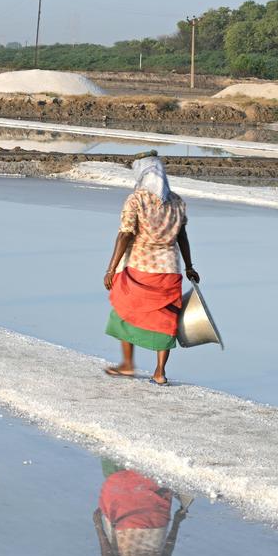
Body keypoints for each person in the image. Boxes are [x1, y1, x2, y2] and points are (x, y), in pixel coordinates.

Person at [102, 153, 200, 385]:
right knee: (166, 320)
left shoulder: (136, 200)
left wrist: (110, 269)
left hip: (139, 267)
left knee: (125, 311)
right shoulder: (177, 202)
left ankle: (127, 364)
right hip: (169, 270)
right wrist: (189, 266)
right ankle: (159, 372)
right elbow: (182, 236)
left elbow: (125, 233)